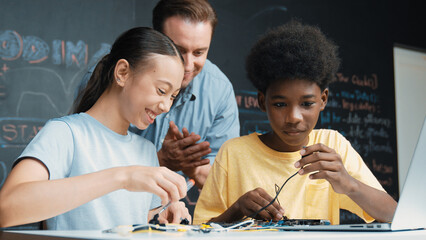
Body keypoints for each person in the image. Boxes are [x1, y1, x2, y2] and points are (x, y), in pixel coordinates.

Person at [193, 21, 397, 225]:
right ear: (263, 102)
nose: (294, 117)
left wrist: (349, 184)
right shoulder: (233, 153)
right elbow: (199, 230)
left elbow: (395, 215)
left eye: (307, 103)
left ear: (323, 100)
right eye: (280, 104)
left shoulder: (332, 145)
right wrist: (237, 209)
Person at [0, 27, 191, 230]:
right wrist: (123, 177)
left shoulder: (146, 150)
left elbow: (123, 218)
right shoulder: (66, 133)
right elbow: (6, 209)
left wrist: (160, 215)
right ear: (122, 73)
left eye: (173, 96)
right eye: (161, 90)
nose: (166, 106)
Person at [79, 0, 240, 190]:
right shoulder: (105, 75)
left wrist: (191, 166)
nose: (187, 66)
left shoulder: (219, 90)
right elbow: (88, 166)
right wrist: (160, 160)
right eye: (179, 50)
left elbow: (224, 182)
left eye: (199, 52)